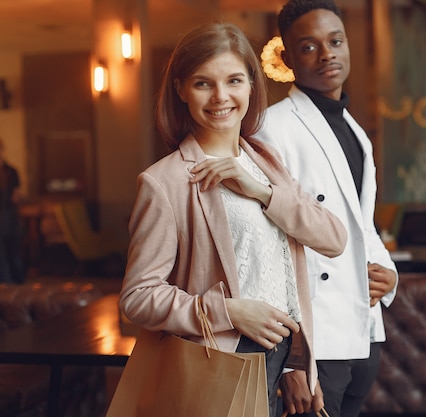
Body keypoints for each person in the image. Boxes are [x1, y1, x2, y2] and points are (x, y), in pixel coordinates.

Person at [119, 22, 347, 417]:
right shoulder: (164, 183)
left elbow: (333, 239)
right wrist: (227, 312)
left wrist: (262, 192)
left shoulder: (267, 164)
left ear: (252, 86)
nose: (221, 96)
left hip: (278, 361)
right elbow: (137, 298)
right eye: (203, 83)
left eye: (234, 80)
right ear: (180, 90)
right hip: (218, 361)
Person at [192, 1, 399, 415]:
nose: (327, 54)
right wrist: (291, 364)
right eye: (309, 47)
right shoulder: (272, 126)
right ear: (286, 59)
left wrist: (388, 274)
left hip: (364, 327)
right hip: (316, 340)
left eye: (335, 41)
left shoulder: (357, 131)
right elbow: (265, 246)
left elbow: (362, 225)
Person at [0, 137, 24, 283]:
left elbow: (16, 195)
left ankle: (18, 286)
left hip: (9, 217)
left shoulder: (11, 172)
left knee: (13, 254)